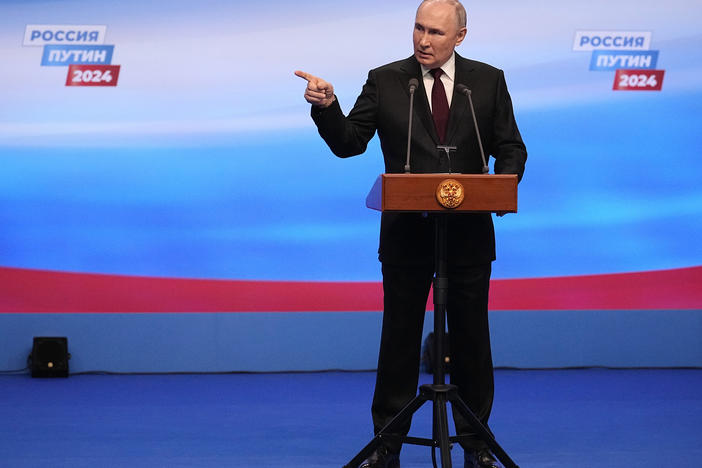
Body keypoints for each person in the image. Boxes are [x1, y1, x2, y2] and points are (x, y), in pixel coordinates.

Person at [296, 1, 526, 467]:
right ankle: (387, 446)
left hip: (468, 235)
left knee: (472, 340)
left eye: (436, 33)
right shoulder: (385, 79)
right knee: (398, 339)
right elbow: (349, 143)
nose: (424, 40)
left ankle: (477, 446)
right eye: (418, 29)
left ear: (459, 37)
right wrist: (328, 108)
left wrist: (503, 185)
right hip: (406, 234)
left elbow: (511, 147)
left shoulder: (487, 80)